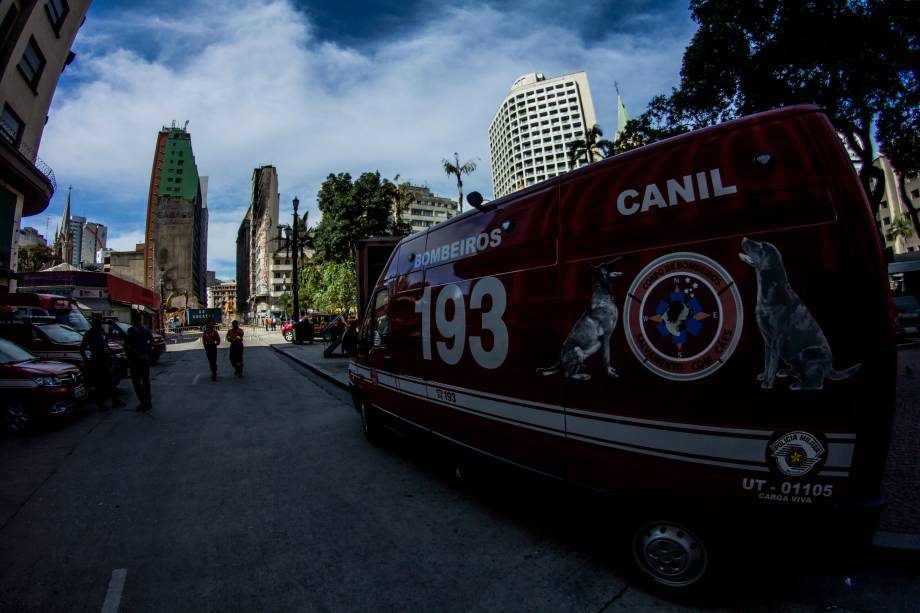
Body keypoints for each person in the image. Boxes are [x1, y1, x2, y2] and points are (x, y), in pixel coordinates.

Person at [80, 313, 125, 410]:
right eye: (98, 321)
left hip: (105, 360)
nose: (100, 323)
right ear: (94, 322)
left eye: (100, 321)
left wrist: (109, 352)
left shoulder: (102, 331)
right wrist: (88, 361)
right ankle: (101, 404)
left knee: (110, 381)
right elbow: (82, 349)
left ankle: (115, 401)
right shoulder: (90, 334)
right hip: (97, 361)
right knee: (99, 384)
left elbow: (106, 344)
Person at [124, 310, 154, 411]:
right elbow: (152, 342)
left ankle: (143, 401)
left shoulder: (131, 331)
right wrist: (147, 352)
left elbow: (127, 346)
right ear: (140, 319)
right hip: (144, 358)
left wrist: (129, 357)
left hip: (135, 360)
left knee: (137, 382)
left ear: (133, 320)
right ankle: (148, 400)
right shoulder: (145, 329)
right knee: (146, 381)